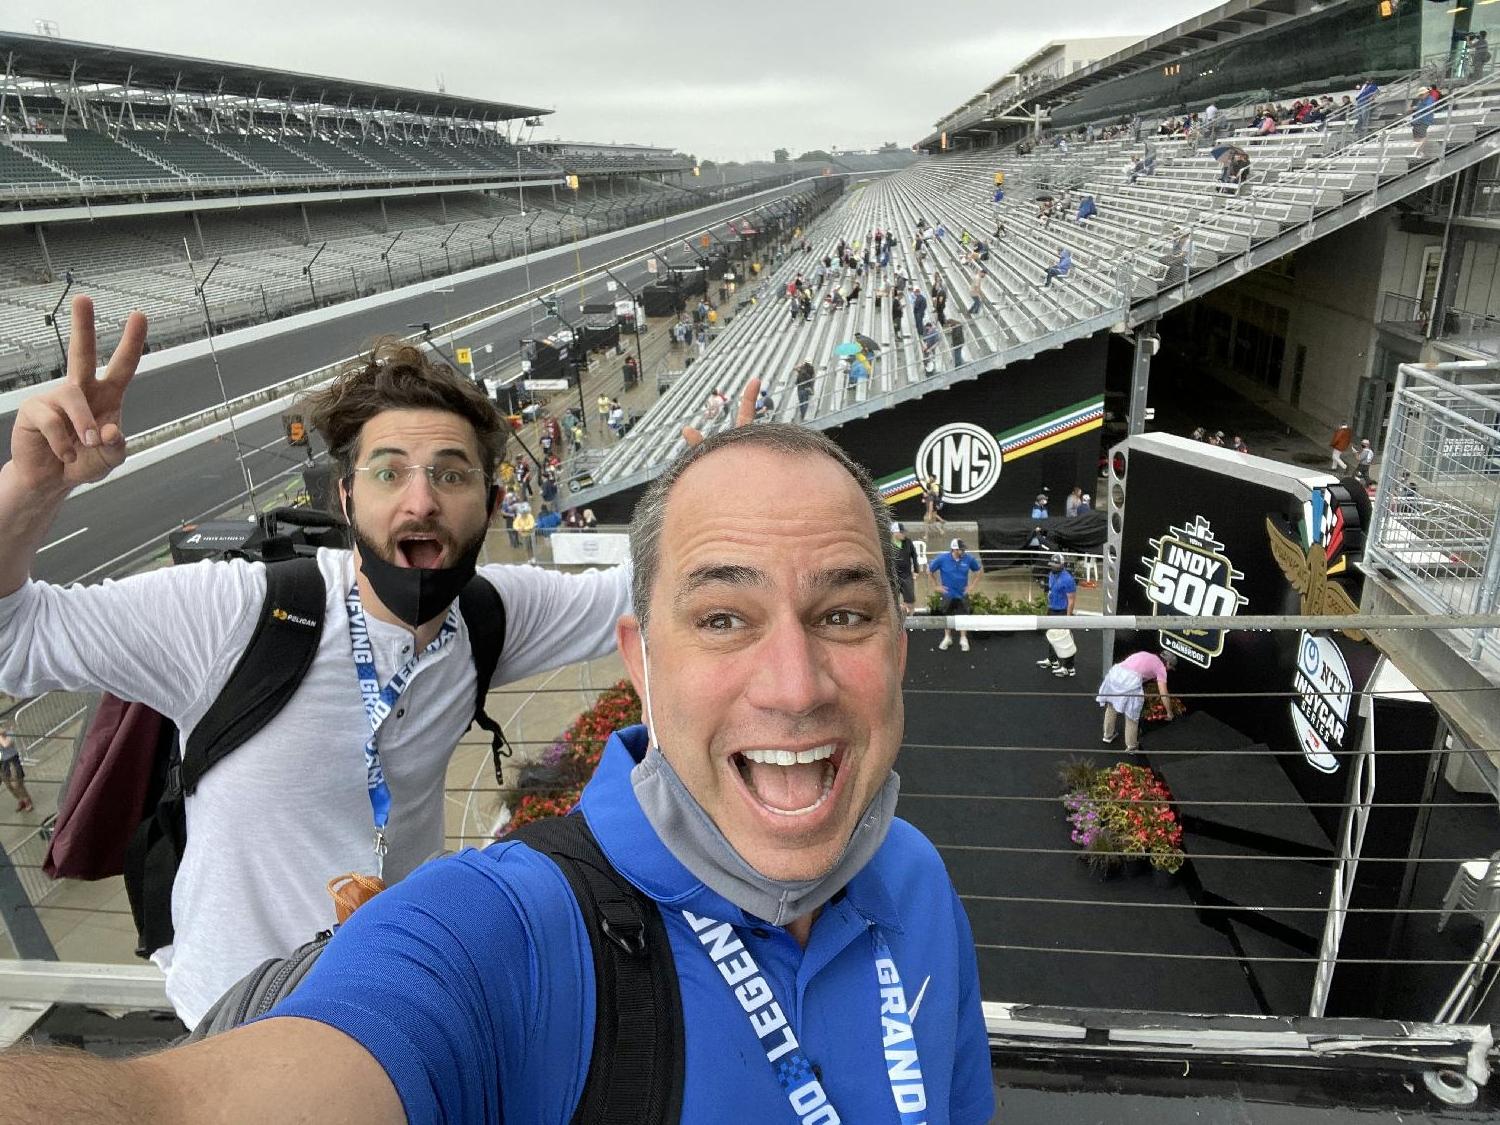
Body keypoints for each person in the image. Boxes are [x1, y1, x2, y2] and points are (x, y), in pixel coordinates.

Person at [0, 425, 996, 1125]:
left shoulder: (911, 874)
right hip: (253, 976)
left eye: (846, 615)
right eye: (725, 620)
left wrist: (730, 486)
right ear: (641, 663)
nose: (794, 683)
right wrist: (28, 500)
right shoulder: (502, 933)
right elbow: (180, 1107)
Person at [0, 296, 634, 1028]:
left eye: (451, 475)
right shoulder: (231, 612)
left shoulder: (489, 615)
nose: (421, 501)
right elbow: (15, 639)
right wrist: (31, 492)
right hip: (236, 1021)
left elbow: (647, 593)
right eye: (389, 473)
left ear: (490, 505)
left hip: (396, 1007)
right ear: (345, 496)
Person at [1096, 649, 1177, 753]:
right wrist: (1169, 713)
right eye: (1170, 667)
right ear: (1168, 663)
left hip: (1116, 674)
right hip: (1130, 681)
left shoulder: (1147, 655)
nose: (1169, 669)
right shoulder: (1161, 668)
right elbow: (1164, 694)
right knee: (1132, 715)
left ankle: (1108, 736)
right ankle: (1132, 746)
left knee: (1112, 706)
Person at [928, 537, 981, 653]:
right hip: (948, 594)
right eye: (961, 550)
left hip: (962, 594)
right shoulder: (942, 558)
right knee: (947, 615)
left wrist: (972, 586)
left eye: (963, 549)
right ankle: (948, 637)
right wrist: (937, 585)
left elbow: (978, 571)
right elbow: (930, 570)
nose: (963, 551)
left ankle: (963, 638)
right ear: (954, 550)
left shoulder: (968, 559)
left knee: (964, 616)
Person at [1038, 553, 1077, 677]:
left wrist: (1068, 618)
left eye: (1056, 566)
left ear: (1062, 565)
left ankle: (1069, 667)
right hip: (1052, 609)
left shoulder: (1068, 579)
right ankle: (1053, 660)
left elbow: (1071, 599)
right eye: (1052, 565)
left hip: (1062, 611)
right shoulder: (1051, 574)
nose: (1053, 568)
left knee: (1065, 639)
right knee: (1052, 636)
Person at [0, 722, 34, 812]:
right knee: (8, 785)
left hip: (12, 761)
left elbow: (6, 744)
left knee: (17, 783)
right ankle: (20, 800)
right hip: (2, 763)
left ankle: (27, 800)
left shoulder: (9, 734)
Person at [891, 521, 919, 616]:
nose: (904, 534)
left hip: (906, 575)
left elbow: (914, 555)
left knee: (910, 598)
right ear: (895, 533)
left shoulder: (908, 542)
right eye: (902, 532)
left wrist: (916, 570)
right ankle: (896, 618)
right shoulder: (887, 544)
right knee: (893, 599)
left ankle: (911, 616)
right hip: (893, 576)